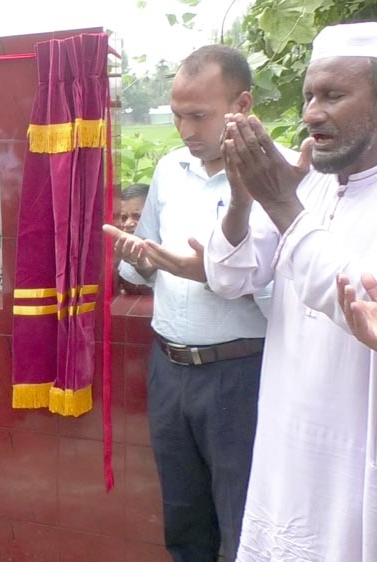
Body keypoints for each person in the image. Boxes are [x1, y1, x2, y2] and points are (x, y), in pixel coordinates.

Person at [209, 21, 377, 561]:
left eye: (333, 95)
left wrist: (281, 203)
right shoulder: (312, 182)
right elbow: (230, 277)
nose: (311, 113)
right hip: (286, 446)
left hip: (360, 455)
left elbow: (369, 303)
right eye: (309, 95)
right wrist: (243, 198)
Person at [103, 46, 277, 562]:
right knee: (183, 518)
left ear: (241, 104)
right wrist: (140, 258)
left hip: (241, 371)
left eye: (198, 116)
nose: (184, 130)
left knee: (244, 517)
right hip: (170, 369)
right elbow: (140, 268)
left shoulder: (280, 174)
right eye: (177, 115)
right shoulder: (171, 168)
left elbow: (292, 293)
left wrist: (214, 274)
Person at [112, 183, 151, 295]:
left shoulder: (170, 252)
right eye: (124, 218)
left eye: (138, 216)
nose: (128, 223)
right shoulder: (117, 257)